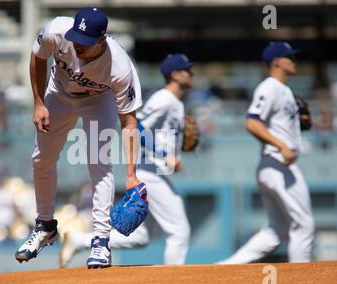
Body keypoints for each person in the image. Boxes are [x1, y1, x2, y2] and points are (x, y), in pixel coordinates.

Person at [15, 7, 143, 269]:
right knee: (41, 159)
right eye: (76, 37)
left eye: (85, 42)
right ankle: (45, 226)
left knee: (99, 164)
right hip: (59, 93)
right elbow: (37, 57)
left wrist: (131, 175)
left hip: (99, 99)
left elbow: (129, 123)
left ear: (101, 39)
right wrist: (38, 103)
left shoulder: (119, 68)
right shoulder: (56, 31)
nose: (77, 45)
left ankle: (100, 240)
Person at [59, 54, 194, 267]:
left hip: (156, 171)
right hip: (150, 172)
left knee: (140, 237)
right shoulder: (164, 99)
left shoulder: (175, 102)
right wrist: (164, 153)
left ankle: (80, 240)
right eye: (188, 71)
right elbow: (137, 127)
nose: (192, 74)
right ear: (176, 75)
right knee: (179, 231)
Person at [218, 42, 315, 264]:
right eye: (290, 57)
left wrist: (301, 122)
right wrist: (282, 145)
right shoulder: (269, 87)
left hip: (276, 165)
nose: (294, 61)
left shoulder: (285, 90)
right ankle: (303, 282)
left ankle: (226, 268)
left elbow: (278, 123)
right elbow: (252, 123)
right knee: (304, 224)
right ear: (277, 61)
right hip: (277, 163)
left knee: (277, 230)